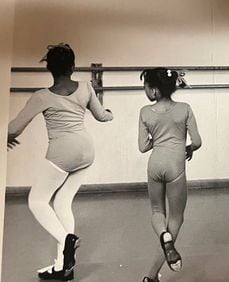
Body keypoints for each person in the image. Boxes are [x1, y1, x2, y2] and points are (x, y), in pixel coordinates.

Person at [7, 43, 113, 281]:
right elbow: (101, 116)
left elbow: (14, 128)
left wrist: (6, 138)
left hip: (62, 153)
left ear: (50, 69)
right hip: (86, 151)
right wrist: (111, 113)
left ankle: (67, 240)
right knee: (62, 203)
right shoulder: (86, 87)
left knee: (36, 200)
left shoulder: (41, 96)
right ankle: (62, 267)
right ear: (73, 67)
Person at [138, 68, 201, 282]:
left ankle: (163, 237)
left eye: (145, 87)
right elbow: (198, 141)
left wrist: (158, 137)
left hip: (154, 165)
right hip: (176, 166)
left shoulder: (145, 112)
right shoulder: (184, 108)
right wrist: (189, 147)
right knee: (176, 217)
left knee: (157, 211)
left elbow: (142, 146)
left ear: (154, 91)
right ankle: (152, 274)